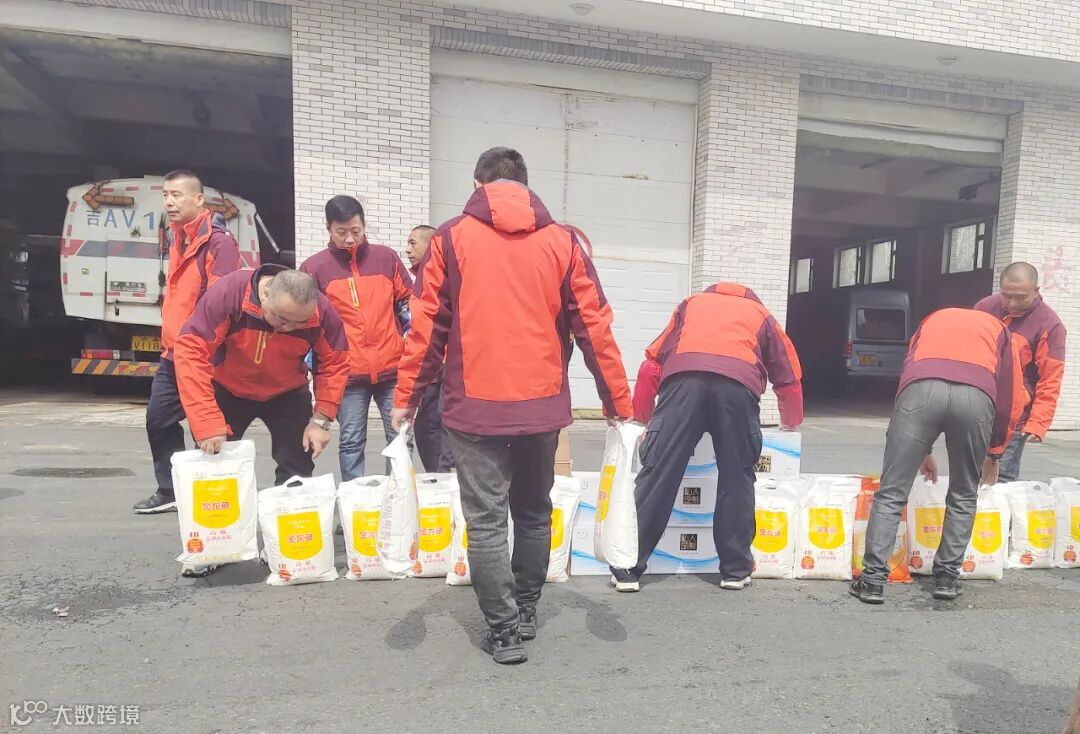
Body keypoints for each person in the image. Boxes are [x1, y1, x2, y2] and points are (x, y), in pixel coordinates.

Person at [391, 147, 633, 664]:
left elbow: (427, 328)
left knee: (485, 522)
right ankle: (525, 611)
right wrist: (616, 399)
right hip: (540, 406)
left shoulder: (450, 238)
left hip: (474, 407)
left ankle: (502, 633)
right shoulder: (563, 241)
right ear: (524, 184)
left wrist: (407, 398)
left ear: (477, 184)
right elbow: (593, 325)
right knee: (533, 512)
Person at [615, 283, 804, 593]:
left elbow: (651, 367)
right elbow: (789, 379)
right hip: (737, 391)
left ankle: (627, 568)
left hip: (682, 385)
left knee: (659, 473)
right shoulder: (762, 316)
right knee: (736, 477)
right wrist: (791, 423)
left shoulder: (691, 304)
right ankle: (735, 571)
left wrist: (642, 419)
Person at [851, 307, 1026, 605]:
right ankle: (946, 578)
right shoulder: (1000, 330)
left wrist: (923, 447)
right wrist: (995, 452)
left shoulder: (931, 319)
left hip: (920, 392)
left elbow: (910, 368)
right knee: (963, 493)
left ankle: (872, 581)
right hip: (975, 398)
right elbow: (1010, 395)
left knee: (892, 492)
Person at [173, 265, 349, 484]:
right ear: (265, 294)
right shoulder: (230, 294)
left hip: (288, 392)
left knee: (297, 468)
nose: (288, 328)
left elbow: (335, 363)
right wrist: (206, 422)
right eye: (282, 318)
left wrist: (321, 420)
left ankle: (290, 505)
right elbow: (191, 351)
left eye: (299, 323)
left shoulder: (323, 312)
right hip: (229, 388)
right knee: (214, 464)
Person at [135, 169, 240, 515]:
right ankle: (171, 490)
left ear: (199, 199)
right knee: (158, 420)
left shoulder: (219, 243)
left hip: (202, 355)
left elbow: (222, 304)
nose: (169, 201)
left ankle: (211, 495)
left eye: (176, 195)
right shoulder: (178, 236)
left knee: (206, 428)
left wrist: (202, 349)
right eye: (165, 195)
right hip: (172, 353)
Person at [300, 196, 414, 481]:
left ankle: (400, 498)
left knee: (400, 438)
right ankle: (356, 501)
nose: (350, 239)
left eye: (356, 230)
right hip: (347, 374)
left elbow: (407, 305)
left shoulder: (386, 258)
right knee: (351, 442)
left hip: (392, 368)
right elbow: (309, 325)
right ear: (328, 228)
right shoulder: (314, 268)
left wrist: (412, 346)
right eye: (341, 232)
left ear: (364, 226)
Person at [974, 262, 1067, 482]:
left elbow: (1050, 379)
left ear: (1036, 291)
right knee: (967, 474)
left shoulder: (1050, 325)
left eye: (1020, 297)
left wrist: (1038, 422)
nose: (1012, 303)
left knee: (1000, 480)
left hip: (1014, 417)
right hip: (976, 407)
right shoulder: (984, 308)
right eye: (1006, 296)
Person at [404, 224, 454, 472]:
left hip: (446, 364)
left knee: (444, 428)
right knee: (425, 428)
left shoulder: (445, 277)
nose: (407, 249)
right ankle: (437, 480)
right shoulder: (417, 281)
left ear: (431, 244)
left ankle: (445, 481)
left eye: (413, 243)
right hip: (429, 368)